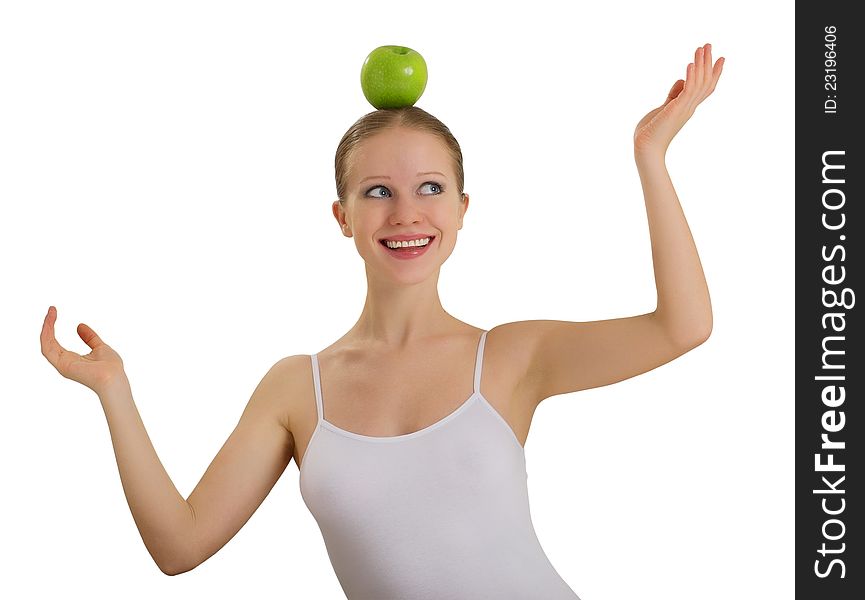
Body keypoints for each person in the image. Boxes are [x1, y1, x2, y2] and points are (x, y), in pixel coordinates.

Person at [40, 43, 724, 599]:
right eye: (377, 192)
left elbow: (682, 326)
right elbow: (180, 546)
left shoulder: (514, 356)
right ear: (342, 217)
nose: (406, 214)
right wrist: (113, 391)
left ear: (462, 208)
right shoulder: (294, 389)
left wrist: (650, 158)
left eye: (431, 188)